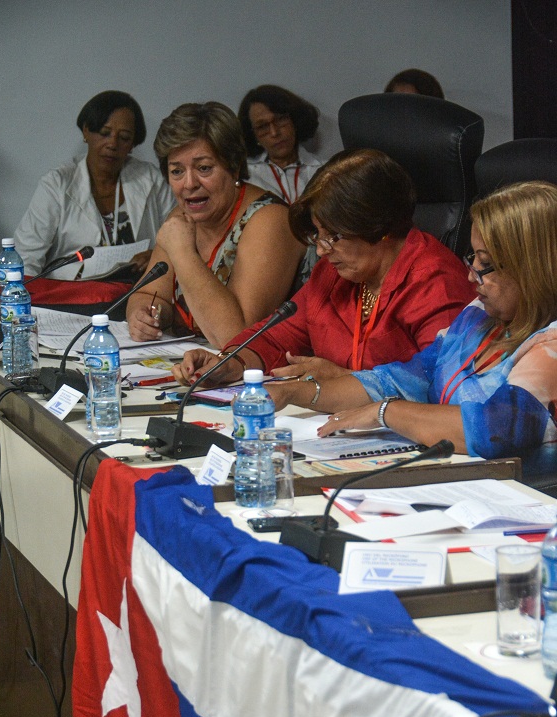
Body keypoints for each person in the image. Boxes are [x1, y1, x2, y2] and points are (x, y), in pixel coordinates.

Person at [279, 181, 557, 460]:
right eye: (473, 258)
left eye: (485, 264)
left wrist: (386, 411)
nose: (471, 276)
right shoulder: (477, 317)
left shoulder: (551, 346)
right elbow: (396, 381)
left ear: (532, 268)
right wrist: (291, 393)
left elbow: (495, 430)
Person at [172, 148, 475, 387]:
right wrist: (230, 363)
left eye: (334, 236)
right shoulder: (334, 273)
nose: (320, 250)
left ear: (379, 226)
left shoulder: (437, 283)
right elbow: (276, 337)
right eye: (318, 235)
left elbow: (445, 387)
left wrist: (347, 382)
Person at [126, 101, 306, 349]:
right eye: (177, 171)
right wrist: (146, 315)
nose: (189, 184)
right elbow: (146, 294)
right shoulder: (182, 216)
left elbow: (236, 337)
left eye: (204, 168)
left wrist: (182, 253)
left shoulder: (270, 220)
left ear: (234, 167)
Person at [14, 90, 174, 277]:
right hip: (72, 292)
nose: (112, 144)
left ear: (132, 145)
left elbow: (180, 237)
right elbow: (25, 257)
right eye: (105, 133)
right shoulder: (56, 184)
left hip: (137, 290)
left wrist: (157, 255)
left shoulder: (152, 179)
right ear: (86, 131)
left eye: (124, 138)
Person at [238, 85, 325, 204]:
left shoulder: (324, 171)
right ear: (253, 135)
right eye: (262, 126)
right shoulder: (245, 176)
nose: (274, 133)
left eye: (280, 119)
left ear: (295, 120)